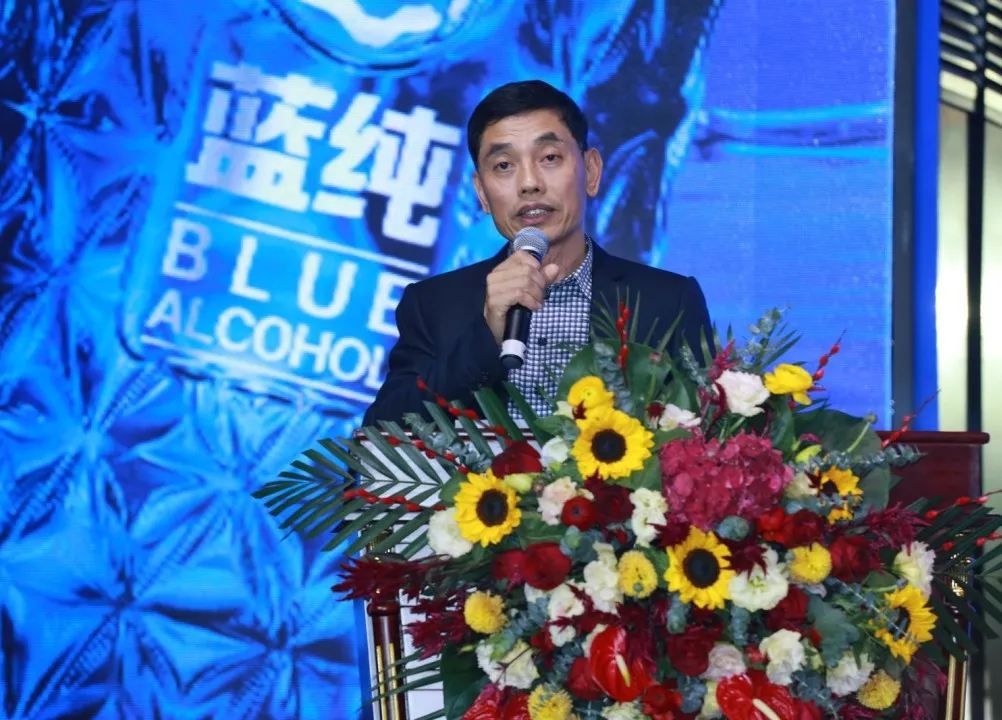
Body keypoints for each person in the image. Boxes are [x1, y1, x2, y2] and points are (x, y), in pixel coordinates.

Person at [363, 80, 713, 426]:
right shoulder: (432, 304)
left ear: (591, 172)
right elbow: (382, 437)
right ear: (482, 193)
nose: (529, 183)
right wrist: (486, 334)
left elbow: (708, 437)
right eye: (504, 165)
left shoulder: (669, 302)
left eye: (549, 158)